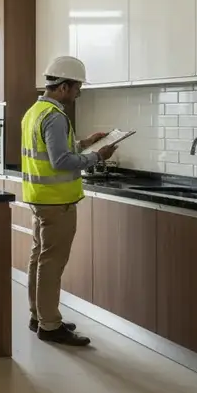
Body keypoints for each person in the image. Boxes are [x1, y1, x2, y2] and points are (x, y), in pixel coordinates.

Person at [21, 55, 117, 346]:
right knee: (51, 263)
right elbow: (61, 160)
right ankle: (50, 325)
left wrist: (86, 142)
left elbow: (55, 150)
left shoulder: (35, 111)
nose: (78, 93)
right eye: (77, 88)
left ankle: (39, 315)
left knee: (39, 258)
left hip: (39, 199)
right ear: (63, 86)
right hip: (57, 202)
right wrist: (97, 156)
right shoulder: (55, 115)